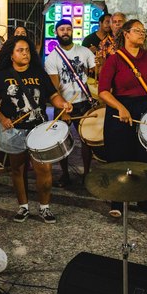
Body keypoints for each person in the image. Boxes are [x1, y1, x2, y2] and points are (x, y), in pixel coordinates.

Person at [0, 36, 72, 223]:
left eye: (27, 50)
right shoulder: (2, 76)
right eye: (20, 50)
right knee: (17, 170)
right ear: (11, 55)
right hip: (13, 130)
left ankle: (44, 207)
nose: (25, 53)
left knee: (45, 170)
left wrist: (63, 104)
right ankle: (23, 207)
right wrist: (3, 119)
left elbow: (53, 95)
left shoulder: (39, 73)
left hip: (39, 129)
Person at [98, 19, 147, 218]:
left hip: (146, 109)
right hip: (119, 110)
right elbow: (103, 92)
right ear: (125, 33)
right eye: (137, 30)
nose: (142, 34)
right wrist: (120, 107)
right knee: (119, 156)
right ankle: (117, 202)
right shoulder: (114, 59)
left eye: (144, 31)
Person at [44, 19, 95, 186]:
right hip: (65, 104)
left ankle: (87, 173)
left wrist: (99, 62)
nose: (65, 32)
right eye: (61, 30)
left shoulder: (85, 51)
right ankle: (65, 174)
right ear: (56, 33)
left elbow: (95, 74)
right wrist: (63, 109)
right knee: (62, 140)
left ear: (73, 31)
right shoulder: (52, 57)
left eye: (68, 29)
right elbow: (53, 86)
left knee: (87, 139)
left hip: (84, 101)